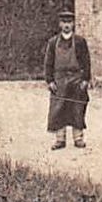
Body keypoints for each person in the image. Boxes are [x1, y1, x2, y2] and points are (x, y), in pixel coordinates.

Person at [43, 9, 90, 149]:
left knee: (77, 107)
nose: (67, 25)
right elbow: (48, 63)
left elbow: (86, 62)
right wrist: (50, 80)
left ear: (74, 24)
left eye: (69, 22)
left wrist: (85, 79)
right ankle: (60, 139)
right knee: (58, 108)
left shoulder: (80, 42)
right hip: (59, 79)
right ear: (59, 24)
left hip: (76, 78)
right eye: (64, 22)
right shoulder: (52, 42)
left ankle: (78, 138)